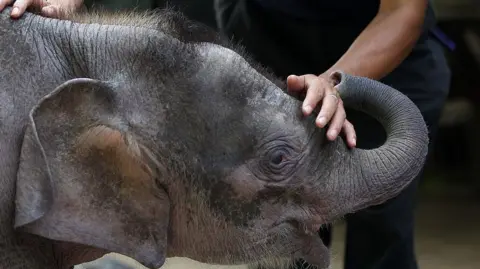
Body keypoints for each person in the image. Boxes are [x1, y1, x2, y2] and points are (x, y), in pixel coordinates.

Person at [0, 1, 450, 269]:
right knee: (278, 239)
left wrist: (333, 83)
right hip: (269, 62)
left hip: (378, 70)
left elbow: (402, 14)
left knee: (381, 236)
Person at [213, 1, 450, 269]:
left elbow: (402, 10)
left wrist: (329, 86)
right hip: (270, 44)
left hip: (389, 62)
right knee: (284, 229)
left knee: (383, 226)